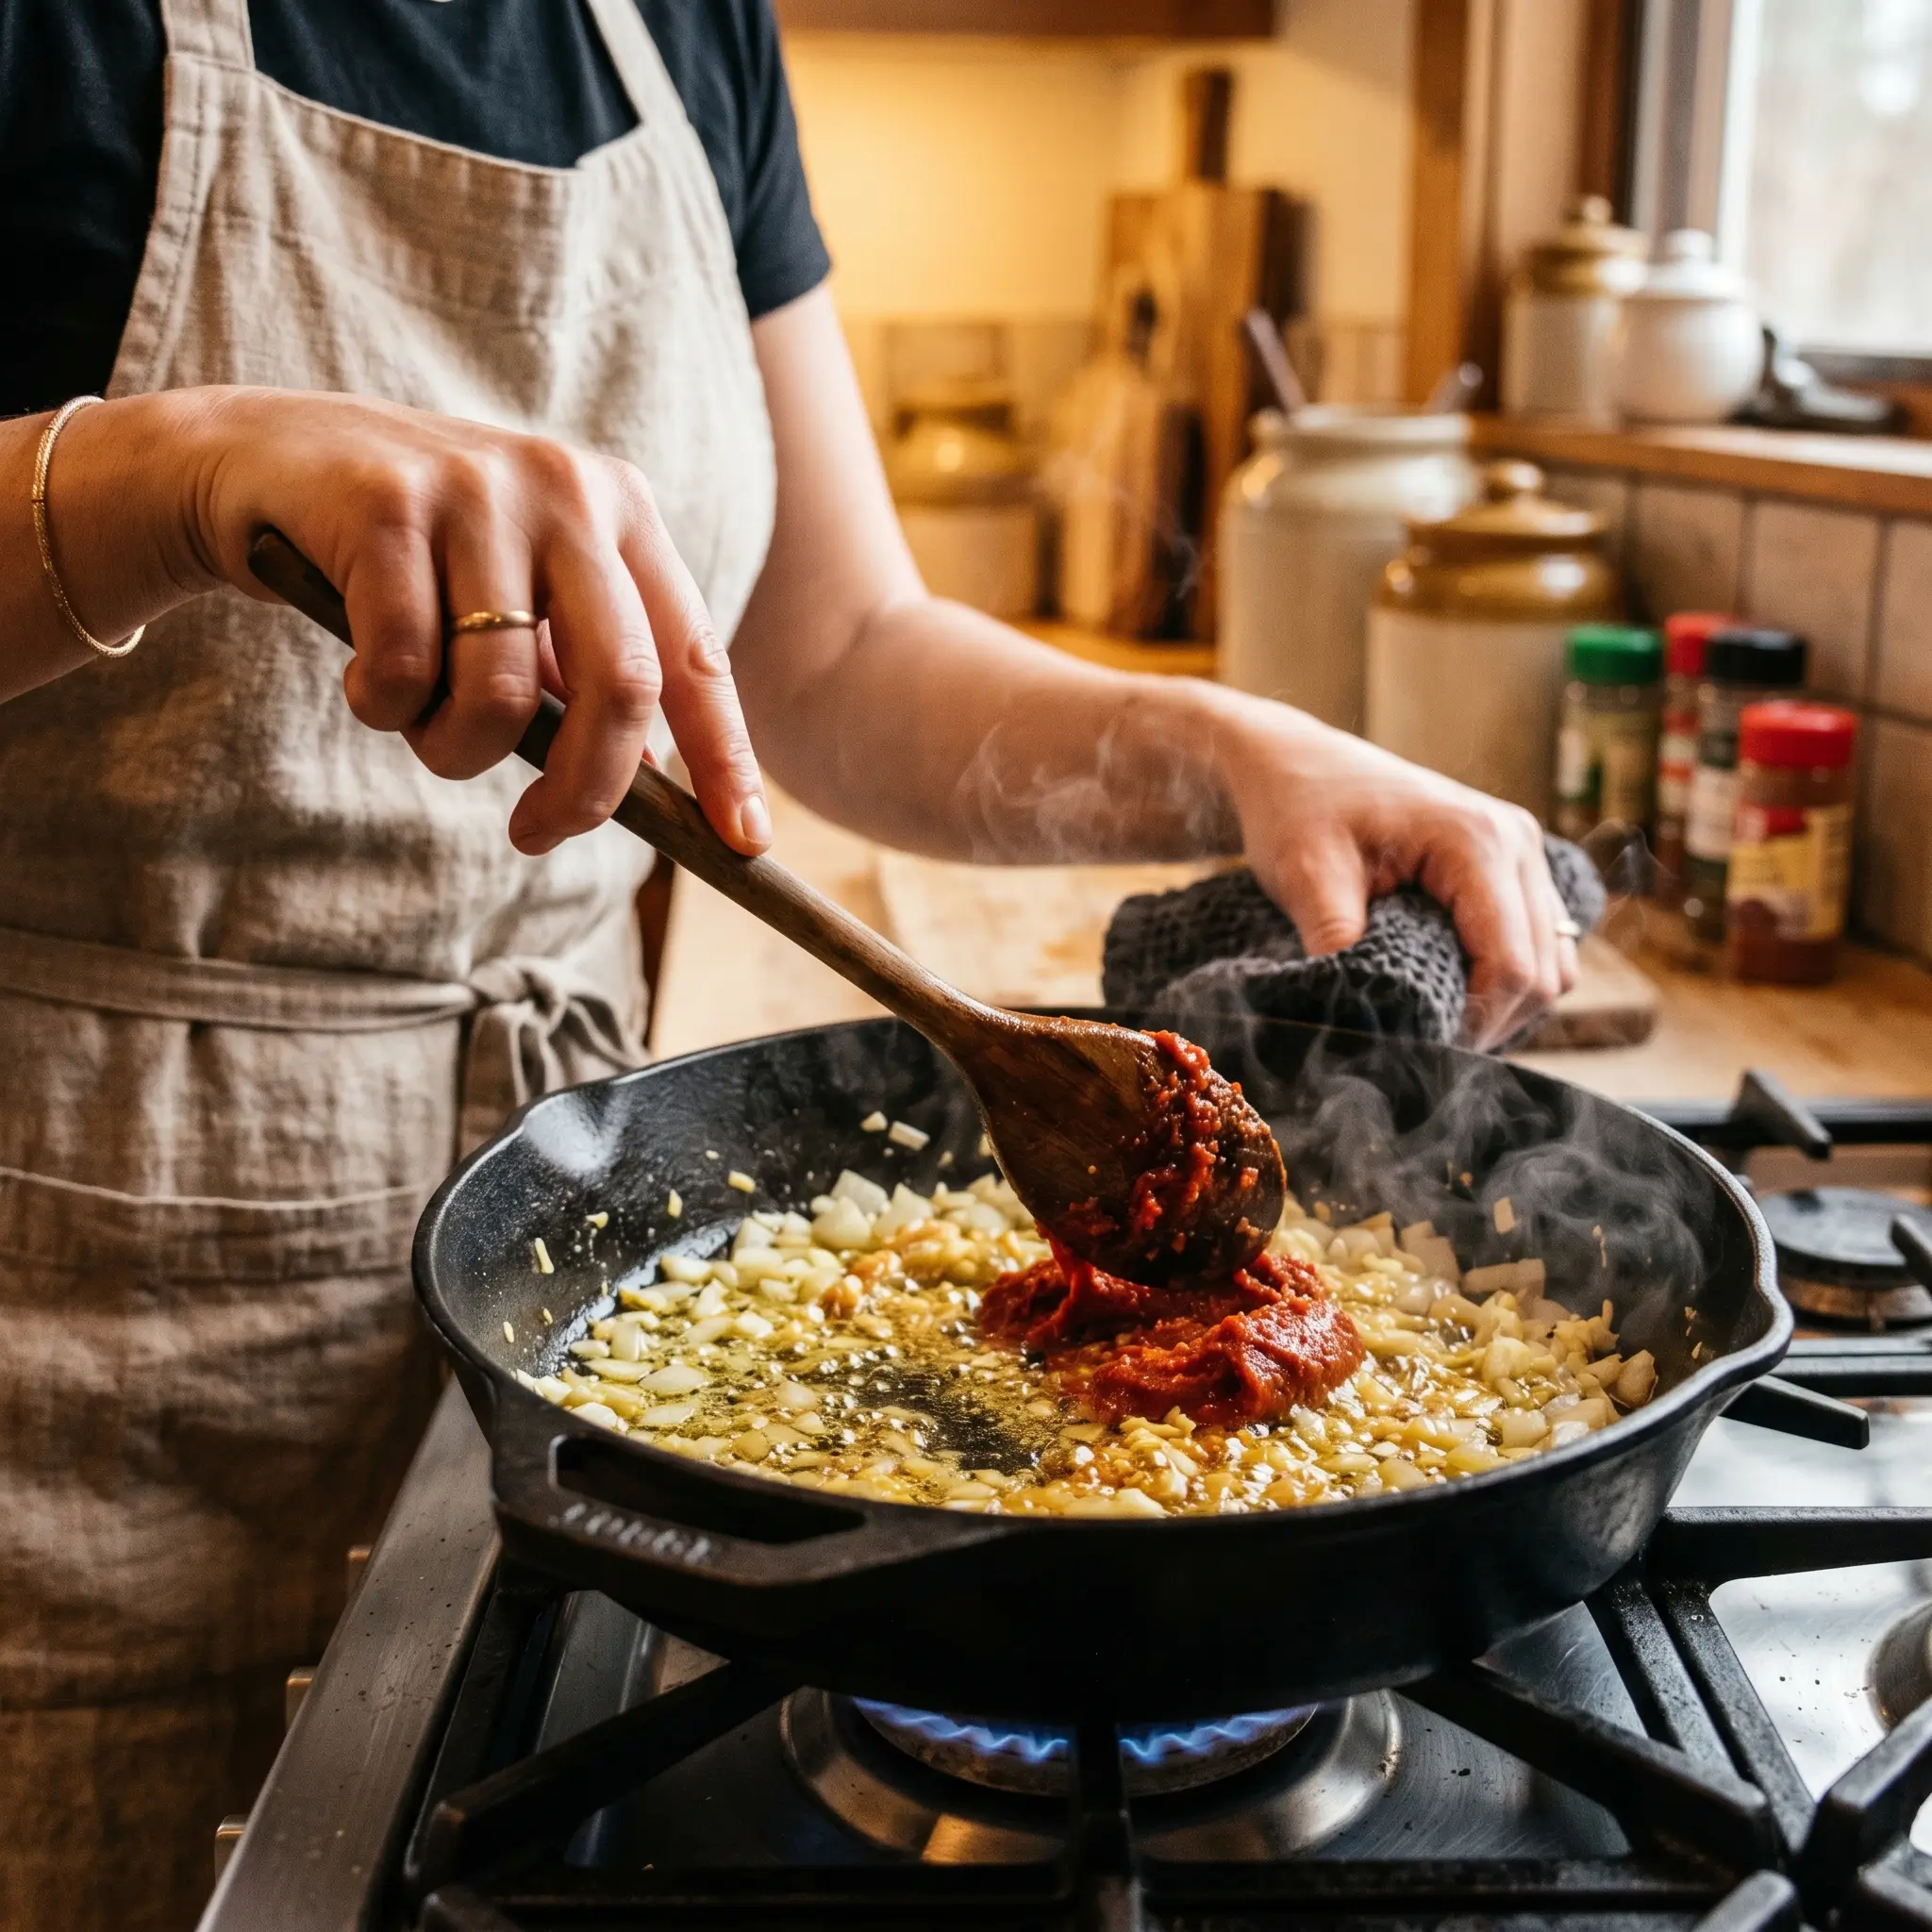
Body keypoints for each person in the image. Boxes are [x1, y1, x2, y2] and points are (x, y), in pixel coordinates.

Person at [0, 3, 1573, 1924]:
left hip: (555, 1221)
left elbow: (823, 654)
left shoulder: (683, 27)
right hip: (83, 1294)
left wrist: (1235, 749)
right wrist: (159, 472)